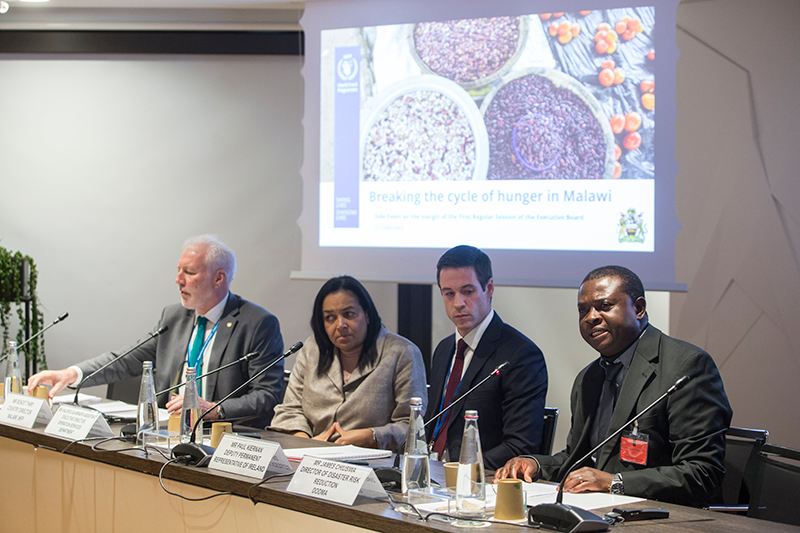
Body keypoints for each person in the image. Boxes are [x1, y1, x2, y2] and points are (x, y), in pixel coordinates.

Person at [494, 265, 733, 505]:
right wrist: (533, 464)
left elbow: (703, 473)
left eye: (604, 306)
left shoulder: (685, 367)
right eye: (582, 310)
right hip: (597, 511)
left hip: (661, 516)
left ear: (638, 308)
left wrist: (614, 482)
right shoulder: (588, 378)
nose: (591, 317)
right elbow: (578, 458)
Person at [27, 235, 285, 428]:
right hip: (166, 432)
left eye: (189, 272)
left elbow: (267, 394)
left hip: (223, 437)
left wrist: (214, 409)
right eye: (178, 270)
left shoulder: (257, 324)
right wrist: (71, 373)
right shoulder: (174, 317)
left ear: (219, 278)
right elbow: (125, 360)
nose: (178, 280)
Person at [270, 276, 427, 453]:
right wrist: (304, 442)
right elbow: (289, 410)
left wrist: (371, 436)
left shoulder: (402, 352)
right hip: (311, 457)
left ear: (367, 314)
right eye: (330, 317)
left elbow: (413, 425)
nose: (340, 325)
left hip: (374, 463)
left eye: (349, 314)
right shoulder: (312, 349)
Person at [425, 245, 548, 470]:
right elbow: (432, 424)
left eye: (468, 291)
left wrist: (459, 471)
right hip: (430, 476)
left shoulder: (520, 355)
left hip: (479, 481)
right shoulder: (444, 349)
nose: (458, 303)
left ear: (489, 288)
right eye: (449, 293)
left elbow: (520, 445)